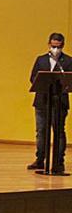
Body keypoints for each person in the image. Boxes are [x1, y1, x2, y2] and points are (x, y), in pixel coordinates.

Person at [28, 32, 71, 172]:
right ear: (49, 44)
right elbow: (33, 77)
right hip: (42, 101)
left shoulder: (69, 61)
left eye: (58, 46)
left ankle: (58, 162)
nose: (55, 49)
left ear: (62, 46)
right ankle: (40, 159)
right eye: (53, 46)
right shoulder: (41, 60)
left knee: (59, 131)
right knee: (41, 131)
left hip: (60, 102)